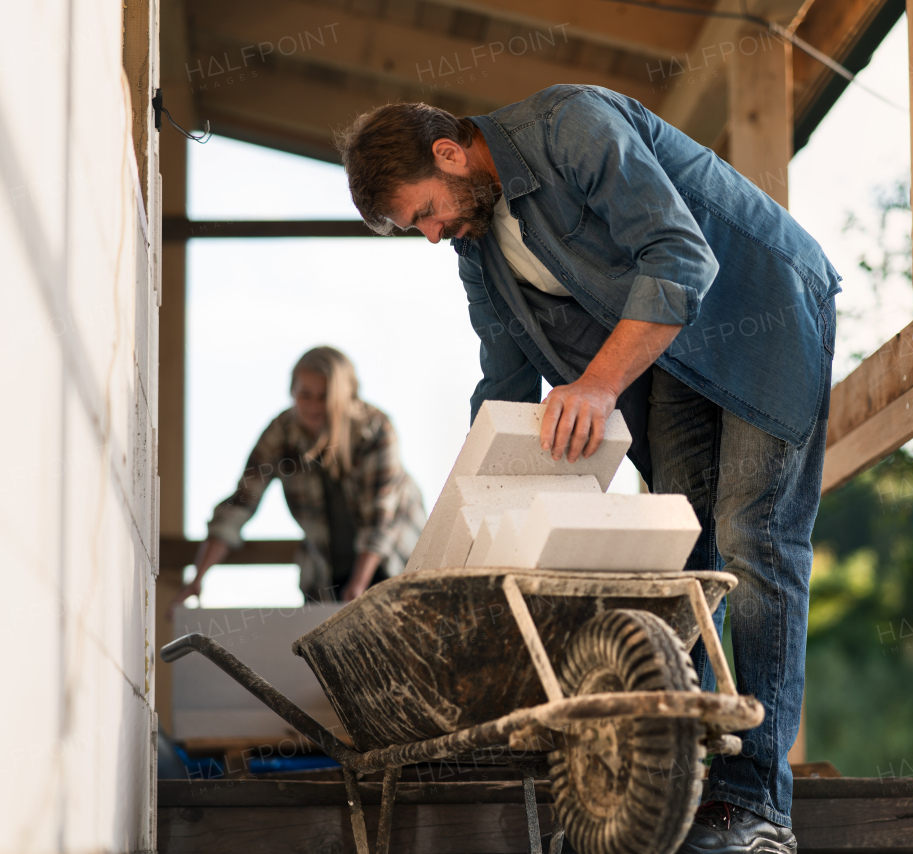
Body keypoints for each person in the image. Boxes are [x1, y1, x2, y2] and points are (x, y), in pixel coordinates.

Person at [337, 85, 839, 854]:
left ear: (448, 154)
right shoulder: (478, 250)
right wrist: (456, 544)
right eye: (419, 229)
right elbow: (502, 387)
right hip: (671, 356)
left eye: (425, 213)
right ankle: (680, 790)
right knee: (682, 555)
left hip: (763, 312)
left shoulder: (571, 125)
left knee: (752, 539)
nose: (432, 235)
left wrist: (599, 384)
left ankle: (756, 807)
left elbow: (681, 256)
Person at [169, 346, 426, 612]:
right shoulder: (279, 438)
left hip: (395, 566)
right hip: (327, 574)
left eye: (324, 397)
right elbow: (242, 502)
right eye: (305, 395)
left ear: (346, 396)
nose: (314, 406)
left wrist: (359, 587)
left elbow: (379, 522)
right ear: (292, 392)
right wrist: (197, 578)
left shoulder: (376, 432)